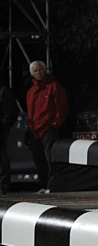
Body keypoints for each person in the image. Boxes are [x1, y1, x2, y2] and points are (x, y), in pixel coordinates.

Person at [26, 60, 70, 193]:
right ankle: (44, 185)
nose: (38, 73)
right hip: (35, 130)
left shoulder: (54, 86)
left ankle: (52, 186)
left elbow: (62, 107)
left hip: (48, 129)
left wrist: (55, 125)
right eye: (35, 71)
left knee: (50, 158)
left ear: (45, 71)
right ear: (32, 73)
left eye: (40, 70)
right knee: (39, 159)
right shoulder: (31, 91)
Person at [0, 84, 17, 195]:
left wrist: (3, 126)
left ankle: (3, 186)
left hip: (1, 130)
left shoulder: (3, 90)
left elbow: (11, 111)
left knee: (1, 158)